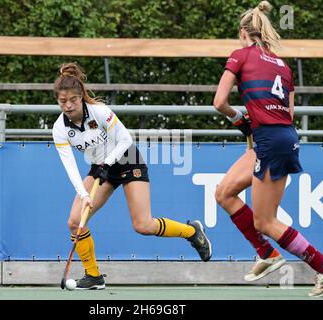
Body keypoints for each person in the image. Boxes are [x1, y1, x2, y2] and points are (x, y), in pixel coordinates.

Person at [213, 1, 323, 297]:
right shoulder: (283, 66)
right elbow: (290, 113)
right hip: (278, 136)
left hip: (269, 142)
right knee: (223, 192)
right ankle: (267, 255)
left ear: (243, 33)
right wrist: (255, 123)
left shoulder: (239, 55)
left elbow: (219, 102)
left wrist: (239, 120)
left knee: (265, 221)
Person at [52, 62, 212, 290]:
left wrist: (107, 163)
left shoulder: (100, 112)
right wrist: (83, 193)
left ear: (81, 97)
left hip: (127, 160)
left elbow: (126, 139)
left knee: (143, 225)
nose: (68, 106)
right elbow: (69, 165)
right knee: (75, 221)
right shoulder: (59, 128)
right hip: (100, 169)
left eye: (73, 100)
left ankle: (192, 231)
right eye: (62, 101)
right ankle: (94, 276)